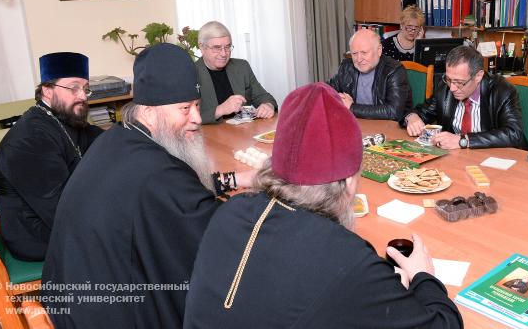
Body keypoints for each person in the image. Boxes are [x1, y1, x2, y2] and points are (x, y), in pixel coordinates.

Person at [184, 83, 463, 329]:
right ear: (348, 182)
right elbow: (444, 323)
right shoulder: (348, 260)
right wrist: (423, 276)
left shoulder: (229, 212)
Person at [42, 44, 245, 328]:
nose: (197, 118)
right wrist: (259, 206)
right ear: (149, 113)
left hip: (74, 301)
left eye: (197, 106)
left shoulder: (114, 140)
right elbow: (213, 239)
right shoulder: (158, 174)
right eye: (185, 108)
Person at [0, 52, 103, 261]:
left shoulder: (62, 117)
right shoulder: (30, 138)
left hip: (60, 216)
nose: (83, 96)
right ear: (47, 90)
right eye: (74, 88)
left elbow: (98, 139)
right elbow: (61, 211)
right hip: (36, 235)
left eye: (86, 88)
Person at [403, 45, 526, 150]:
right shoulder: (444, 86)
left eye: (459, 82)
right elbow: (422, 112)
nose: (452, 88)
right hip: (458, 159)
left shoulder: (502, 91)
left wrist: (463, 141)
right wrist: (412, 117)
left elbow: (513, 134)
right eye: (449, 79)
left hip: (495, 160)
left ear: (478, 76)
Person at [195, 20, 277, 124]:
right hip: (212, 135)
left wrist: (268, 106)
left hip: (245, 133)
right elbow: (185, 118)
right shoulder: (191, 73)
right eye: (217, 48)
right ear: (202, 47)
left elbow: (263, 97)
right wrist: (220, 110)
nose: (224, 54)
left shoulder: (242, 66)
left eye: (228, 47)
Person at [328, 29, 413, 121]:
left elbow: (393, 112)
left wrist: (352, 107)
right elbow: (327, 92)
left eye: (364, 53)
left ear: (379, 50)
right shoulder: (346, 67)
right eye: (354, 53)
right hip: (354, 125)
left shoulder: (394, 70)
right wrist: (337, 98)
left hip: (386, 129)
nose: (359, 59)